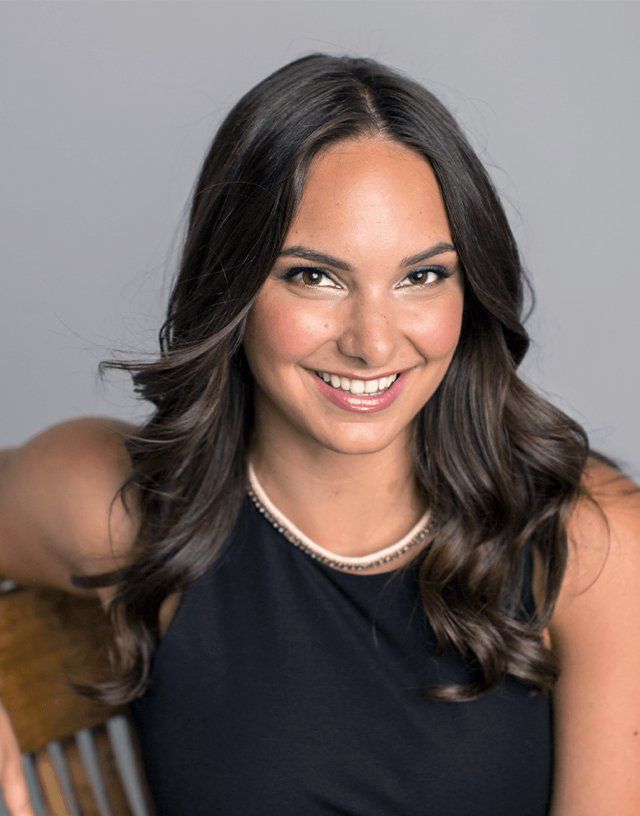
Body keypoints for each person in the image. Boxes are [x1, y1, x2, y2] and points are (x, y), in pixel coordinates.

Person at [0, 52, 639, 816]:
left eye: (422, 276)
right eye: (314, 276)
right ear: (232, 286)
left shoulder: (588, 542)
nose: (373, 342)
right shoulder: (126, 506)